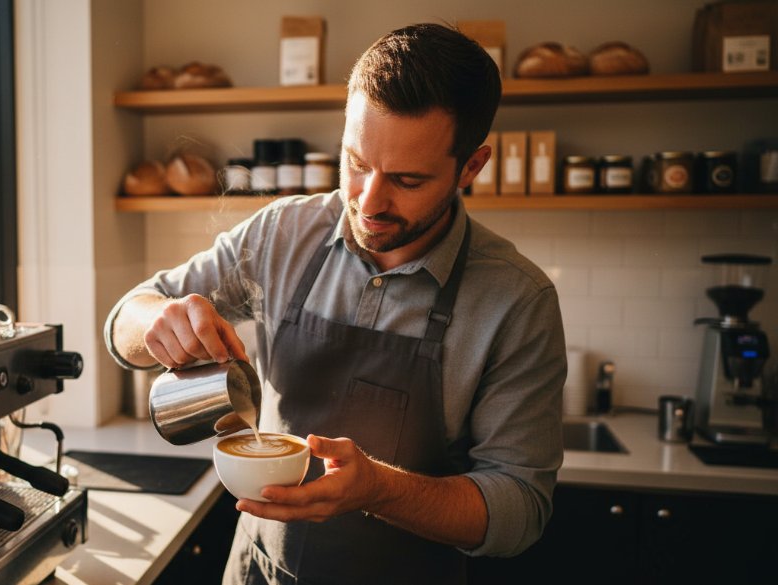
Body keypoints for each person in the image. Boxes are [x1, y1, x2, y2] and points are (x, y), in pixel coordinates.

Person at [105, 22, 566, 585]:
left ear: (470, 167)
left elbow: (520, 509)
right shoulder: (282, 233)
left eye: (407, 179)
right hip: (258, 571)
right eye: (356, 163)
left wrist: (379, 489)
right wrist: (158, 319)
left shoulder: (518, 300)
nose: (369, 200)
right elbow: (126, 317)